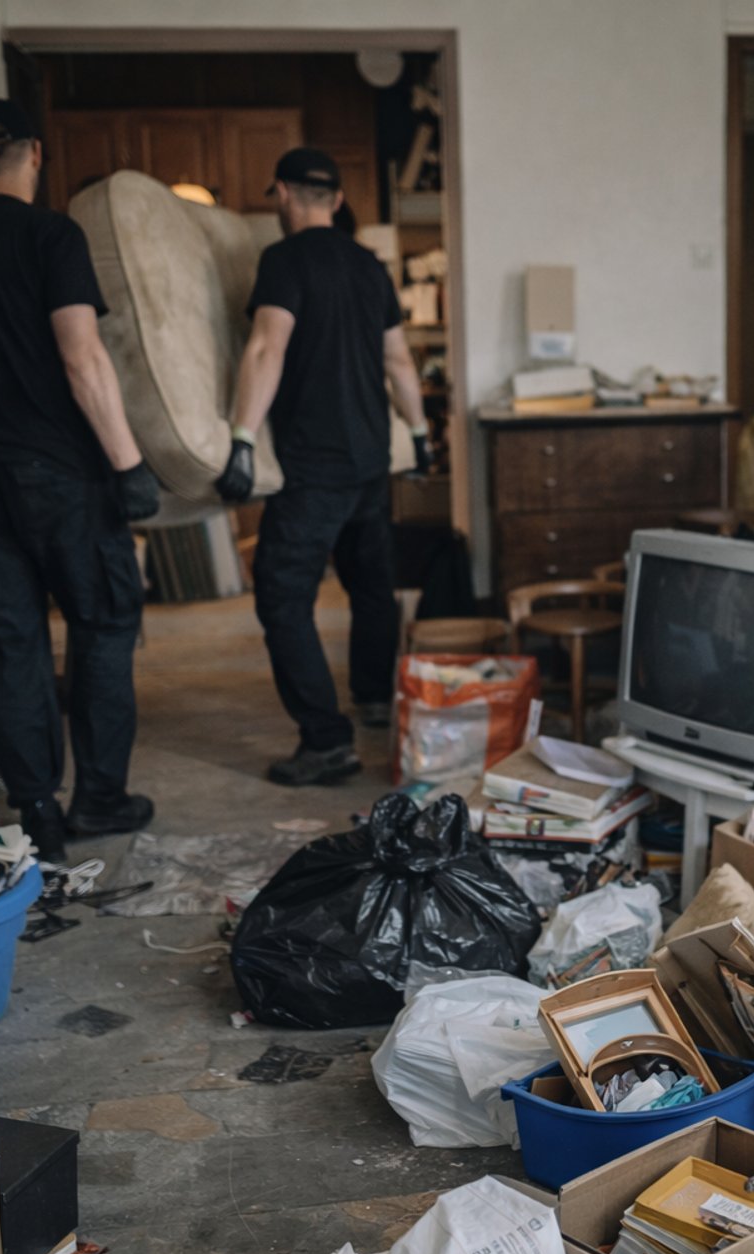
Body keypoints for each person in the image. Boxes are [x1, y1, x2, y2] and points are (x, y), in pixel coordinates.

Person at [0, 100, 160, 862]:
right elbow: (82, 358)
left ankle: (38, 811)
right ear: (36, 155)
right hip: (61, 476)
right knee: (104, 626)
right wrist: (129, 462)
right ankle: (102, 798)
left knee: (8, 644)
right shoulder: (53, 235)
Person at [216, 148, 428, 786]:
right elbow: (398, 361)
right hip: (370, 460)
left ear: (281, 194)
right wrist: (419, 434)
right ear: (336, 199)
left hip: (314, 462)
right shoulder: (369, 266)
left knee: (282, 594)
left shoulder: (283, 260)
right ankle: (370, 697)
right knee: (370, 585)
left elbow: (266, 346)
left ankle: (326, 740)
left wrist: (241, 437)